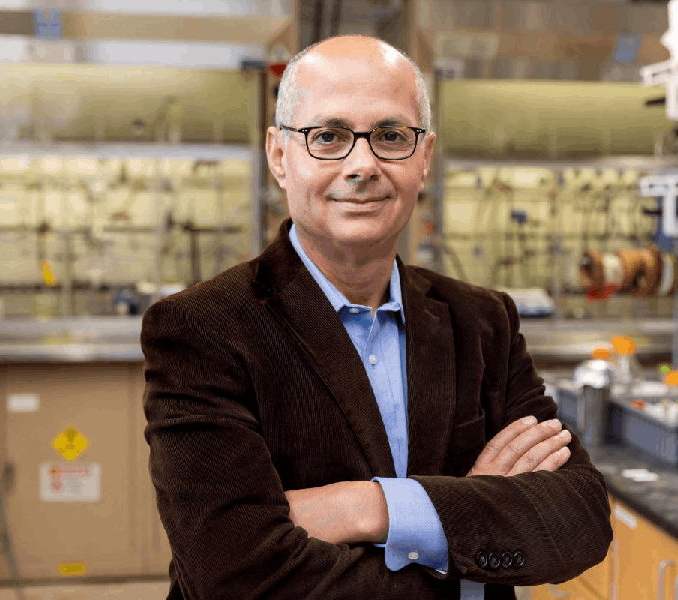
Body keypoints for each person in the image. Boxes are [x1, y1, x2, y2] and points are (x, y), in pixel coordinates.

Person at [141, 34, 613, 600]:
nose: (362, 165)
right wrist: (464, 520)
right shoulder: (202, 329)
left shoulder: (483, 321)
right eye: (329, 137)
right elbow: (233, 573)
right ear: (278, 156)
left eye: (391, 136)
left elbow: (578, 521)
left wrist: (368, 506)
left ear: (425, 157)